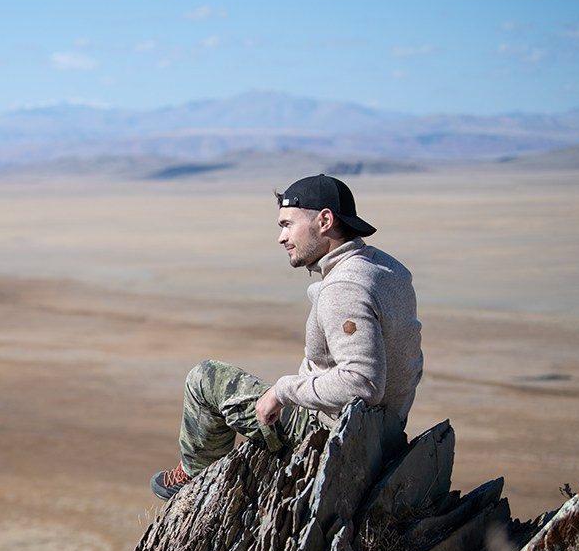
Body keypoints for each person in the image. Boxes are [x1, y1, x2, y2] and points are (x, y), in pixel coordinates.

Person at [150, 173, 424, 500]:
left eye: (287, 224)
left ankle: (195, 481)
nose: (282, 237)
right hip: (384, 431)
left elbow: (362, 382)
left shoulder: (344, 288)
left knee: (204, 378)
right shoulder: (386, 269)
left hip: (330, 433)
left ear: (324, 220)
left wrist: (283, 391)